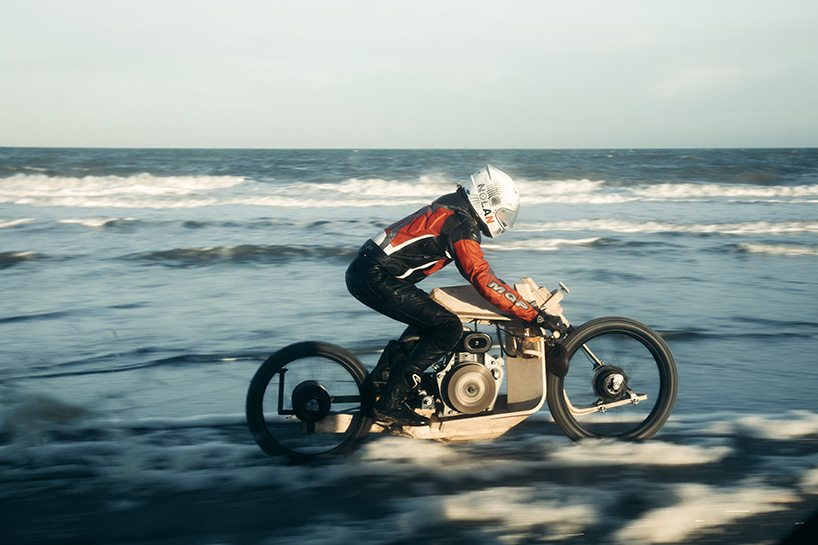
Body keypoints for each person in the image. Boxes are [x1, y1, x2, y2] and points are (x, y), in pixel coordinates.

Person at [345, 165, 562, 426]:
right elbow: (483, 280)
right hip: (375, 276)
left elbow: (482, 276)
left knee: (427, 322)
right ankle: (390, 404)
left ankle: (380, 388)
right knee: (449, 328)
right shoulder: (461, 224)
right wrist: (533, 315)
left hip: (369, 272)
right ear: (487, 201)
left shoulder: (451, 212)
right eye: (503, 212)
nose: (504, 220)